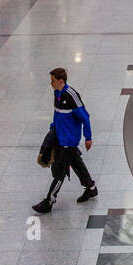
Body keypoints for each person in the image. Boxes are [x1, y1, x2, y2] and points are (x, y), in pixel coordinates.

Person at [33, 68, 96, 213]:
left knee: (60, 171)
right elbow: (57, 113)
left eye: (53, 80)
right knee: (76, 162)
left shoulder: (72, 95)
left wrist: (88, 137)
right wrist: (54, 127)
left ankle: (49, 201)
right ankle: (91, 188)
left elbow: (85, 116)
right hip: (60, 137)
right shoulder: (57, 93)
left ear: (61, 81)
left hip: (69, 140)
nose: (51, 83)